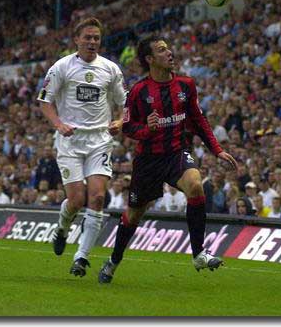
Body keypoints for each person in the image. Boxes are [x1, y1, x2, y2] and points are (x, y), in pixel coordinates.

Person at [98, 36, 238, 284]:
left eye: (168, 48)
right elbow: (128, 128)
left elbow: (198, 120)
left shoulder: (186, 85)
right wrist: (148, 130)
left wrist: (216, 149)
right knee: (134, 214)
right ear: (150, 59)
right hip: (148, 160)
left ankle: (198, 254)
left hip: (176, 153)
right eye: (162, 50)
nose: (169, 52)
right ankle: (113, 261)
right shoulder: (139, 91)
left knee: (195, 185)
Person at [37, 17, 126, 277]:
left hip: (99, 140)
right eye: (87, 37)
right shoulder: (61, 67)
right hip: (70, 141)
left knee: (97, 197)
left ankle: (81, 257)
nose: (92, 42)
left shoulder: (111, 69)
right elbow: (45, 100)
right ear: (76, 40)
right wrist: (58, 124)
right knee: (76, 199)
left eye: (96, 38)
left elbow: (126, 102)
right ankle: (63, 228)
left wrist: (120, 121)